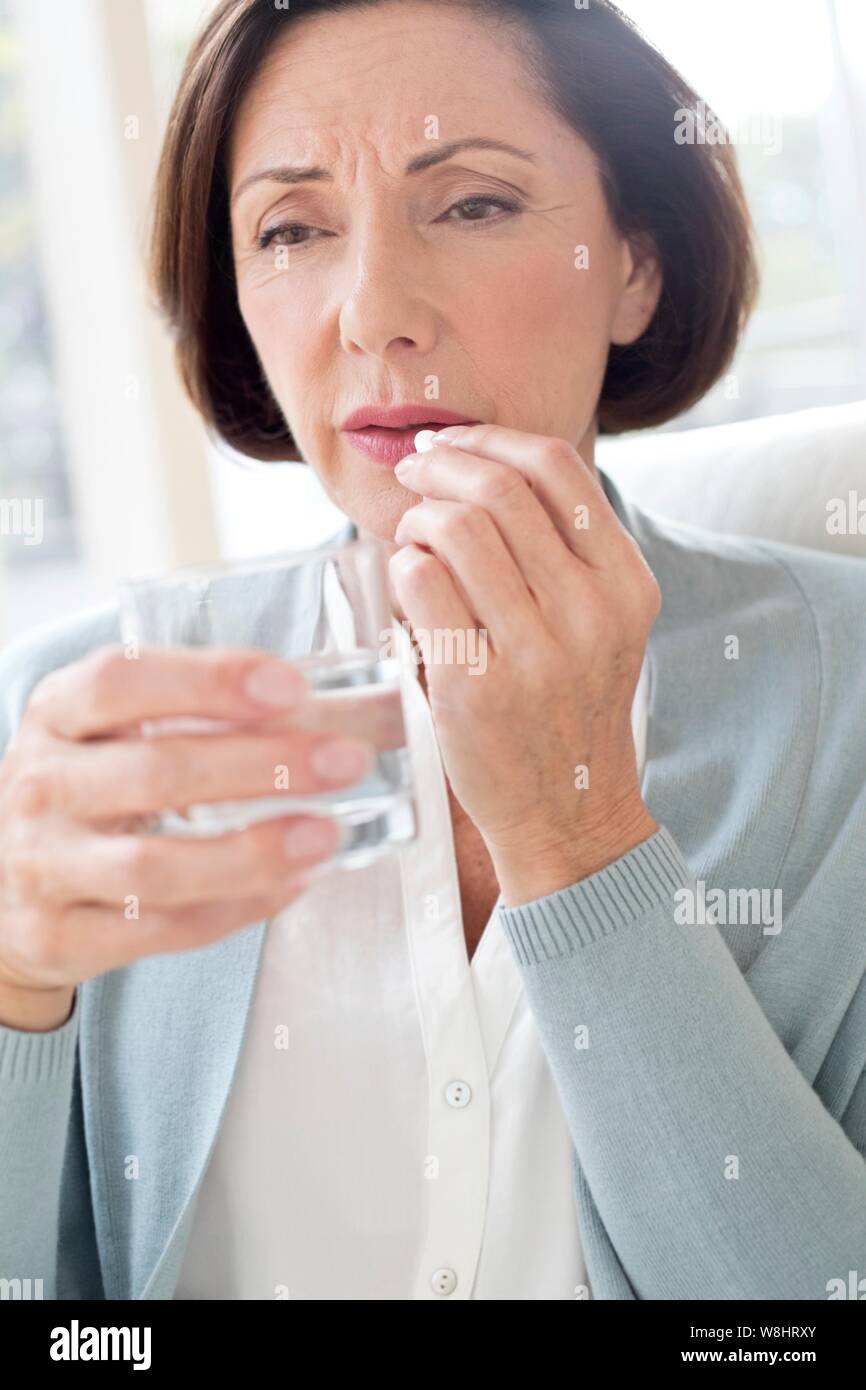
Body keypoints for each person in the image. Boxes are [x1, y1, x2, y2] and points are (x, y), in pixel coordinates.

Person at [1, 0, 865, 1301]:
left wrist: (576, 841)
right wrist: (14, 992)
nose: (373, 315)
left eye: (471, 204)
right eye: (290, 230)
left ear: (635, 264)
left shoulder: (840, 700)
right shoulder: (79, 721)